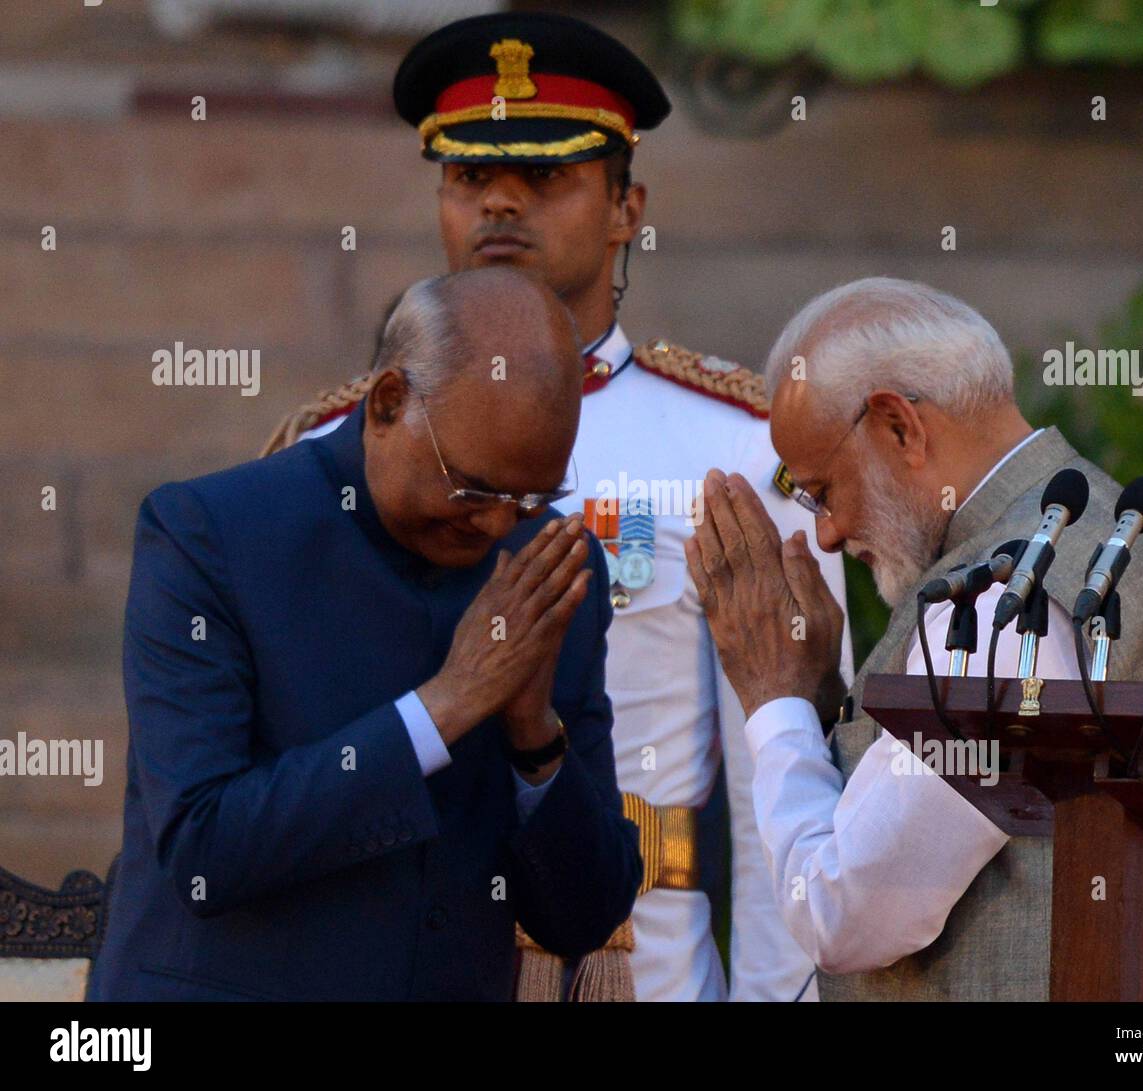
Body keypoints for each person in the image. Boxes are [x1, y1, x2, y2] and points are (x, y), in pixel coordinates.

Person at [263, 12, 849, 1002]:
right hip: (390, 953)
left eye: (545, 178)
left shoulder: (737, 448)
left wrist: (769, 998)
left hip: (638, 957)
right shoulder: (332, 449)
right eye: (467, 177)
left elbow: (779, 772)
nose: (498, 200)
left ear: (627, 208)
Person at [686, 276, 1143, 1001]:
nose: (829, 533)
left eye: (822, 490)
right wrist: (823, 700)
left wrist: (773, 704)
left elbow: (848, 912)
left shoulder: (1005, 601)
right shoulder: (1110, 540)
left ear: (899, 426)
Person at [88, 269, 641, 1002]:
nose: (500, 524)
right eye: (474, 489)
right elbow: (204, 847)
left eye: (533, 496)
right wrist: (443, 708)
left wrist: (535, 741)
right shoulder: (210, 536)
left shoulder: (548, 571)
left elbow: (584, 914)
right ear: (388, 403)